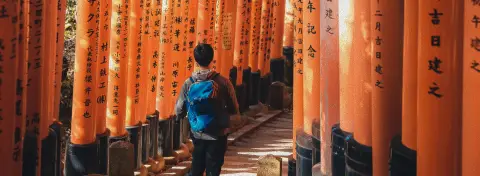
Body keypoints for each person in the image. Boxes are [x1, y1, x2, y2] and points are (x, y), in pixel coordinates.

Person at [175, 43, 240, 176]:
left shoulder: (189, 83)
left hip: (197, 132)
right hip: (218, 133)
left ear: (195, 60)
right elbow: (234, 108)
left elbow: (179, 110)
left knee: (196, 168)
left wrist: (182, 118)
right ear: (212, 59)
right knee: (214, 169)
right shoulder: (224, 82)